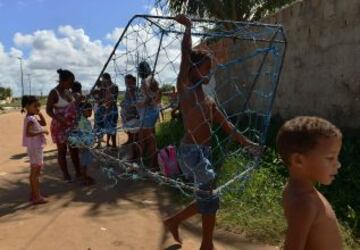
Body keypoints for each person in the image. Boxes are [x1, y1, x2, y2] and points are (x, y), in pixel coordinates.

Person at [164, 15, 260, 250]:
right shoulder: (185, 90)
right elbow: (186, 56)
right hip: (190, 153)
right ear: (193, 70)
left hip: (203, 153)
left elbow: (229, 127)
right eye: (207, 67)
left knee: (207, 199)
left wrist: (249, 144)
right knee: (211, 198)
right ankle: (207, 244)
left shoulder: (208, 101)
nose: (210, 72)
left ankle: (174, 221)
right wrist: (188, 29)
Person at [276, 116, 342, 250]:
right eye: (330, 158)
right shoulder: (304, 203)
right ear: (299, 160)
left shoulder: (297, 192)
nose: (338, 165)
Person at [46, 69, 82, 182]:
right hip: (59, 126)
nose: (72, 84)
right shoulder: (54, 93)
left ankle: (78, 172)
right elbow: (48, 110)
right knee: (62, 151)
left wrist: (79, 101)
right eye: (71, 81)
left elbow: (72, 106)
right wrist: (58, 118)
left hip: (70, 125)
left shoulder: (68, 92)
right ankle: (66, 175)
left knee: (74, 149)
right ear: (63, 81)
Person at [22, 95, 48, 205]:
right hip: (35, 148)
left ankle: (34, 194)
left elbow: (44, 123)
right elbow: (28, 133)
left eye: (39, 106)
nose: (37, 108)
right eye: (35, 106)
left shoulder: (32, 117)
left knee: (36, 171)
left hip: (35, 148)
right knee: (35, 172)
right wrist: (41, 132)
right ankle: (37, 196)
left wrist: (39, 113)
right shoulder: (30, 119)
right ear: (27, 106)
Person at [136, 62, 161, 170]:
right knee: (146, 137)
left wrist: (140, 104)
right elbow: (156, 96)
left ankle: (153, 164)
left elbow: (149, 98)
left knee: (148, 138)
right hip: (151, 112)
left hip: (148, 112)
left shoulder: (145, 81)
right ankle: (148, 162)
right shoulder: (153, 79)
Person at [69, 102, 96, 186]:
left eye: (91, 110)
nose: (90, 112)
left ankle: (84, 175)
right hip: (83, 144)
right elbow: (81, 133)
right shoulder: (81, 121)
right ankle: (83, 178)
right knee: (84, 161)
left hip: (86, 144)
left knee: (85, 161)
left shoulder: (84, 120)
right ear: (82, 111)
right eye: (88, 110)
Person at [120, 74, 140, 160]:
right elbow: (127, 102)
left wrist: (125, 104)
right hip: (128, 117)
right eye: (126, 82)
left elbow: (136, 103)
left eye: (128, 82)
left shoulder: (136, 91)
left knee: (135, 138)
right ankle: (134, 155)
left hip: (134, 117)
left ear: (133, 81)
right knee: (132, 137)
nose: (127, 84)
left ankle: (135, 156)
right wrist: (123, 103)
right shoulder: (128, 91)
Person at [102, 73, 119, 148]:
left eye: (103, 79)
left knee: (112, 127)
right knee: (108, 127)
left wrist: (107, 108)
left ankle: (114, 145)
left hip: (112, 110)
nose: (102, 81)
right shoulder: (107, 87)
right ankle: (108, 143)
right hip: (108, 109)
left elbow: (114, 100)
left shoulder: (114, 86)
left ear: (106, 79)